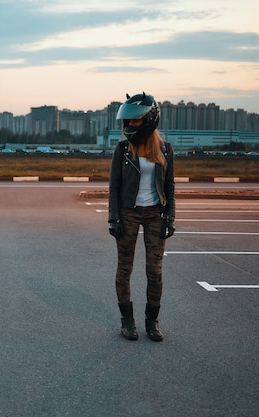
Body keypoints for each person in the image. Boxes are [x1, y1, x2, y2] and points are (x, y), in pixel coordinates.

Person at [108, 92, 175, 341]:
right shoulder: (122, 149)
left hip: (155, 215)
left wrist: (170, 217)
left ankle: (152, 322)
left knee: (154, 272)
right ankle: (127, 322)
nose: (129, 125)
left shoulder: (165, 149)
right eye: (127, 121)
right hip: (128, 214)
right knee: (124, 269)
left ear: (149, 120)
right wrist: (113, 218)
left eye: (134, 121)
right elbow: (114, 186)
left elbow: (169, 186)